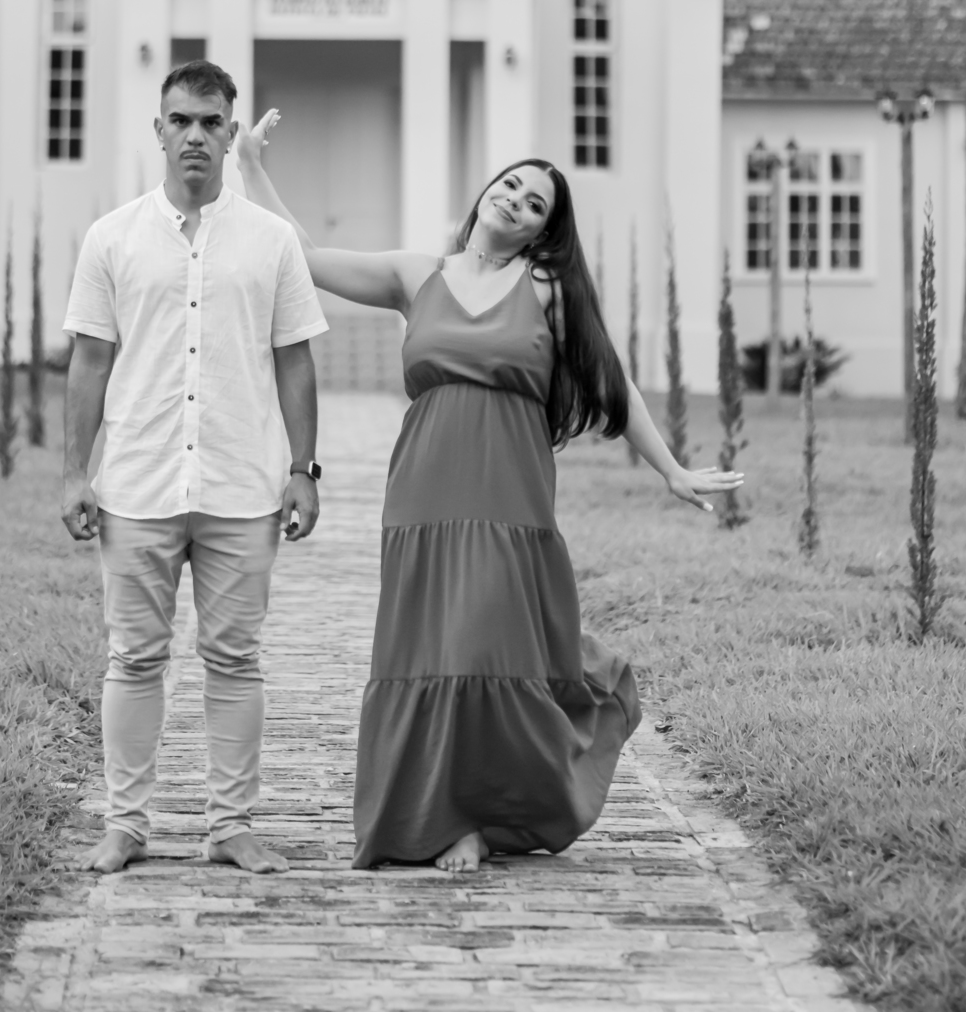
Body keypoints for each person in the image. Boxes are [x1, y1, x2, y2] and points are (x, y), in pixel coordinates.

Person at [236, 115, 743, 873]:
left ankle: (481, 811)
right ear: (485, 193)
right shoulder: (418, 275)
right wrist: (251, 166)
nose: (516, 201)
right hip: (424, 491)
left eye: (535, 204)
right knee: (432, 649)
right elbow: (304, 258)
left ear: (542, 232)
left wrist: (671, 468)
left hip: (508, 494)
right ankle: (446, 819)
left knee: (486, 645)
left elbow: (613, 381)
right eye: (510, 186)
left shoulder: (548, 290)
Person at [61, 62, 329, 876]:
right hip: (137, 483)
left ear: (231, 130)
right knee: (134, 659)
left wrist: (304, 469)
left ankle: (230, 827)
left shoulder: (272, 241)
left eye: (212, 122)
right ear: (159, 130)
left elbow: (295, 360)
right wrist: (74, 472)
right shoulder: (111, 237)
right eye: (180, 120)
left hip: (240, 486)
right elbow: (89, 362)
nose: (195, 136)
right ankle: (125, 825)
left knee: (235, 660)